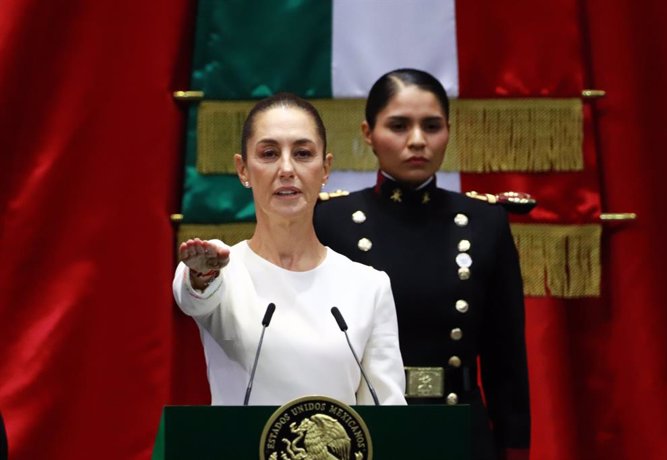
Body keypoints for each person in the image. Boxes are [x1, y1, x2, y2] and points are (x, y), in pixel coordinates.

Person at [314, 69, 530, 459]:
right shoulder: (331, 221)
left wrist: (513, 445)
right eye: (398, 126)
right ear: (368, 133)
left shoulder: (485, 222)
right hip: (362, 430)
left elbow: (506, 356)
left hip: (457, 429)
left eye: (432, 126)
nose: (417, 141)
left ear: (448, 130)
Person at [173, 93, 406, 406]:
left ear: (325, 169)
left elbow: (388, 412)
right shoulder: (221, 273)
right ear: (242, 170)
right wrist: (203, 275)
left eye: (303, 153)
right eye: (269, 153)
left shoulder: (369, 286)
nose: (286, 168)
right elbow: (194, 295)